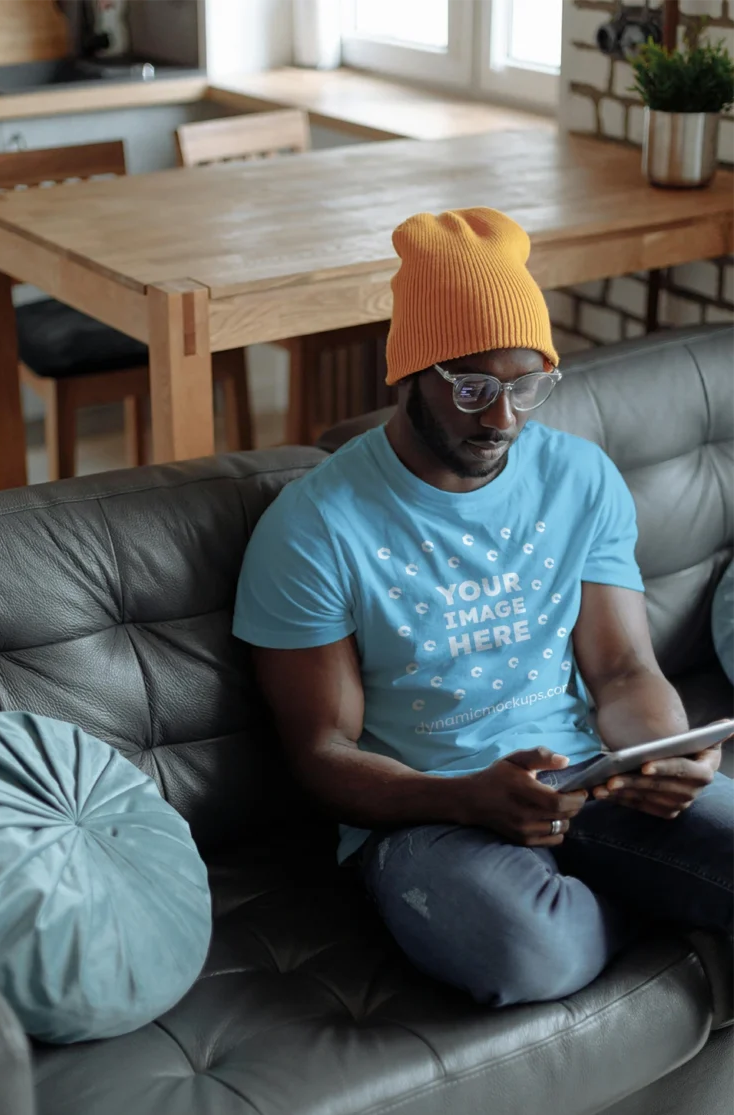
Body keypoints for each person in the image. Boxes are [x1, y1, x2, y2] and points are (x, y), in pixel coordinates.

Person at [233, 206, 733, 1007]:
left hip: (588, 781)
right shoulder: (314, 528)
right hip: (428, 817)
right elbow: (322, 753)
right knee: (529, 952)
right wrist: (463, 796)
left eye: (526, 385)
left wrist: (663, 755)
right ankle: (671, 903)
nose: (501, 418)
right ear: (406, 375)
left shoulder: (579, 477)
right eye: (471, 388)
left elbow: (622, 668)